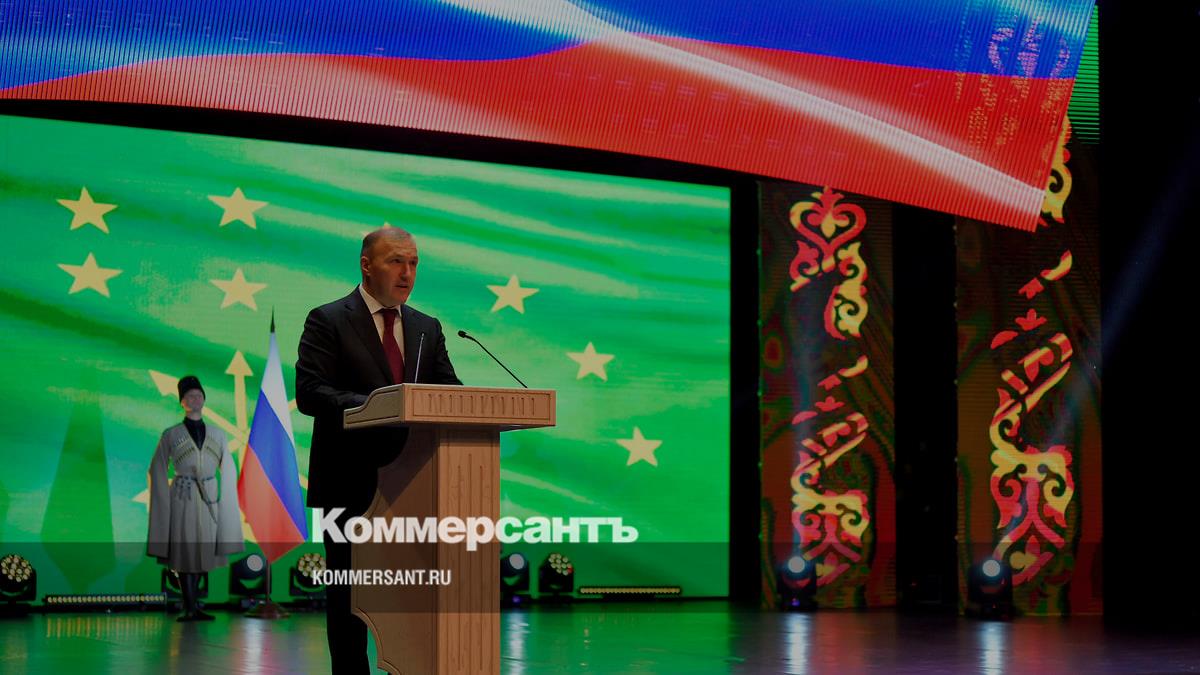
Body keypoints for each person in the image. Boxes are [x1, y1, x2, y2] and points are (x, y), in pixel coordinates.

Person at [296, 227, 461, 674]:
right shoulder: (328, 319)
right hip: (349, 483)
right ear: (367, 266)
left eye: (414, 263)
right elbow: (310, 392)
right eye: (396, 262)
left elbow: (449, 393)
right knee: (350, 598)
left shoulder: (427, 328)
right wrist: (378, 406)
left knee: (412, 594)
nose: (407, 273)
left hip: (416, 486)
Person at [147, 375, 244, 621]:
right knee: (185, 552)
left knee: (204, 551)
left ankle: (194, 605)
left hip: (209, 496)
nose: (195, 399)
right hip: (183, 495)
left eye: (199, 395)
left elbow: (228, 466)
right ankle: (189, 606)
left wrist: (225, 497)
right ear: (182, 401)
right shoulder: (171, 434)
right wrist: (163, 503)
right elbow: (157, 468)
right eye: (190, 396)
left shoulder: (218, 435)